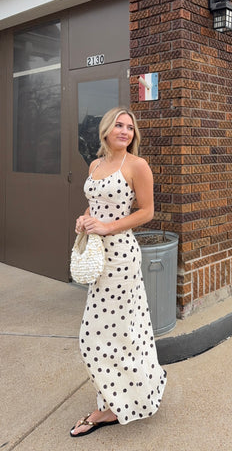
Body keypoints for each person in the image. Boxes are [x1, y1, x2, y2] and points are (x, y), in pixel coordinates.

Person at [70, 107, 167, 437]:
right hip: (97, 254)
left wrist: (108, 227)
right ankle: (117, 399)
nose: (125, 131)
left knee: (106, 334)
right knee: (106, 334)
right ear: (106, 130)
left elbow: (147, 211)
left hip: (122, 258)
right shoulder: (95, 165)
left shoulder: (137, 166)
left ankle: (112, 407)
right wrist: (85, 219)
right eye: (119, 125)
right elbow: (94, 206)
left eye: (130, 127)